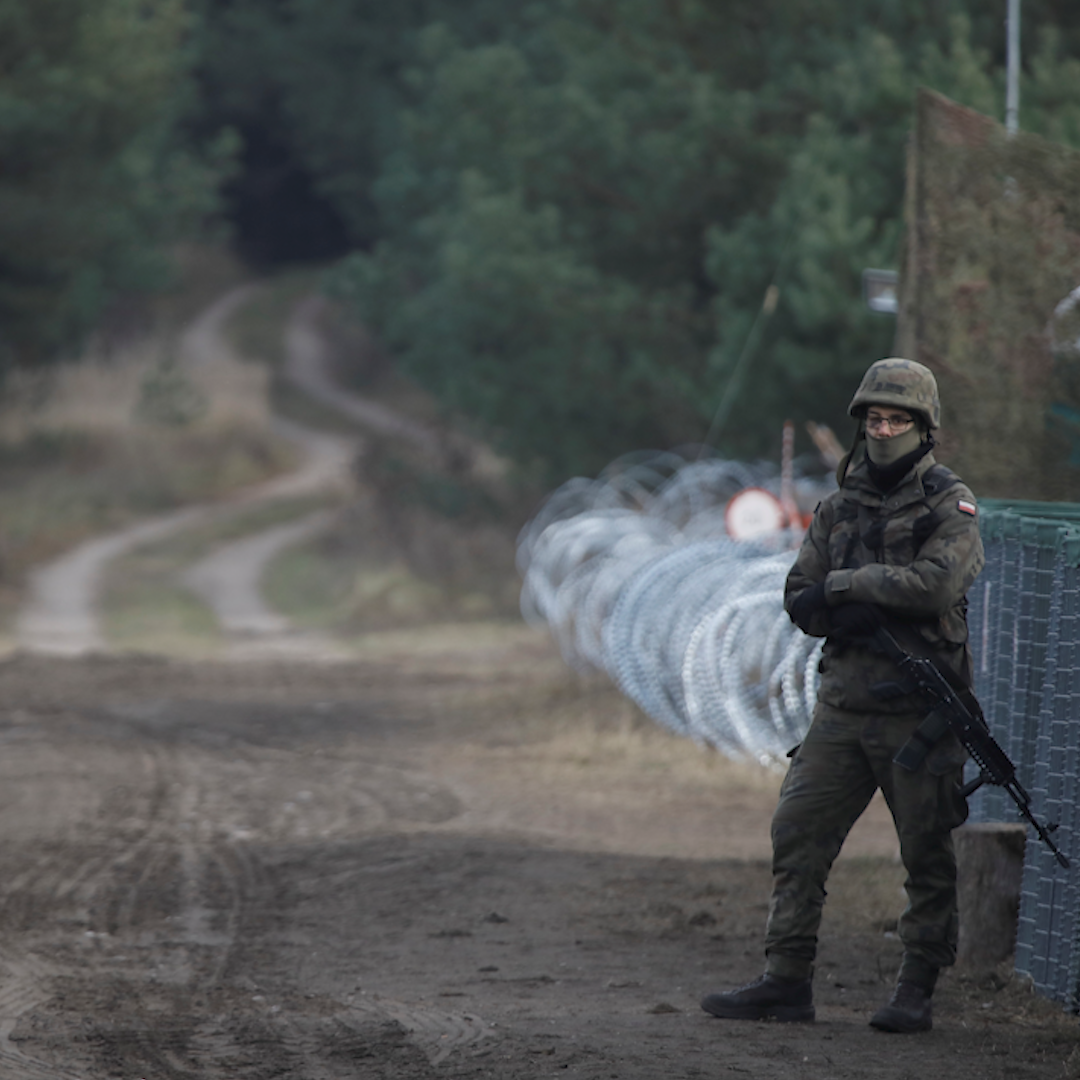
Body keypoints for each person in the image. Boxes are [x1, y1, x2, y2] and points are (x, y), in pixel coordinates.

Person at [700, 357, 985, 1034]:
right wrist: (841, 601)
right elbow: (800, 594)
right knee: (797, 833)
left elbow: (936, 586)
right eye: (875, 419)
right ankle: (785, 979)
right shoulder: (838, 507)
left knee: (926, 854)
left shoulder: (948, 503)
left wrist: (849, 586)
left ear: (923, 426)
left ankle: (916, 989)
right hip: (843, 708)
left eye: (896, 420)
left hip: (917, 713)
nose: (883, 430)